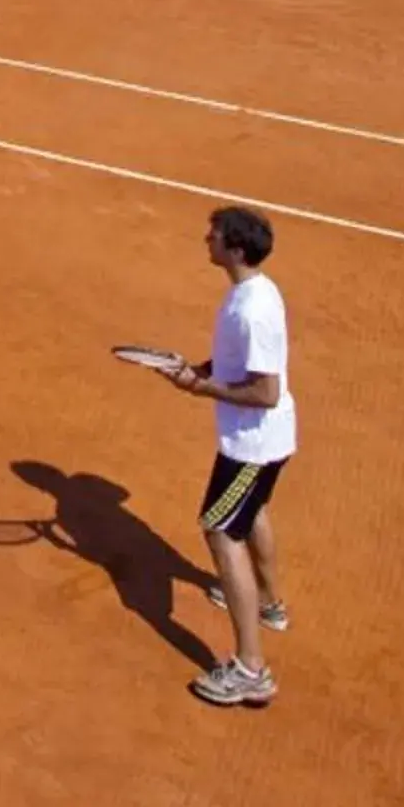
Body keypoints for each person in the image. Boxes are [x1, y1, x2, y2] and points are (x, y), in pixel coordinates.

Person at [160, 205, 295, 709]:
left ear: (235, 249)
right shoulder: (257, 290)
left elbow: (264, 391)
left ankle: (250, 670)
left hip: (251, 445)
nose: (206, 239)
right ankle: (270, 605)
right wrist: (198, 371)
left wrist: (203, 389)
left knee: (220, 529)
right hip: (269, 442)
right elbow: (238, 362)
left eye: (213, 235)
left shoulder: (251, 310)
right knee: (252, 510)